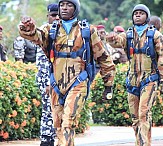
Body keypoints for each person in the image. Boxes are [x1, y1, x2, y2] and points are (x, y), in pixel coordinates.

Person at [18, 0, 116, 145]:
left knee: (68, 122)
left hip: (78, 82)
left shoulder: (87, 31)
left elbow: (103, 58)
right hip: (56, 85)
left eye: (69, 5)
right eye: (62, 4)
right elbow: (34, 36)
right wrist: (28, 27)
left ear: (76, 9)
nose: (64, 8)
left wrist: (108, 85)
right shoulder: (51, 30)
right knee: (58, 125)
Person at [106, 4, 163, 146]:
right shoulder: (128, 34)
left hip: (149, 79)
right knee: (135, 117)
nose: (137, 15)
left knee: (144, 113)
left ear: (147, 17)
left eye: (141, 13)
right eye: (135, 13)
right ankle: (140, 142)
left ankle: (144, 144)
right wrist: (111, 38)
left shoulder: (155, 35)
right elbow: (117, 42)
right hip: (132, 80)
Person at [36, 3, 59, 146]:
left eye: (58, 15)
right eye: (53, 15)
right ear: (48, 16)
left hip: (63, 78)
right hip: (46, 78)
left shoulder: (64, 31)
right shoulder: (43, 33)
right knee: (48, 109)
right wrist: (47, 82)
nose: (56, 18)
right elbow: (43, 62)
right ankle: (46, 139)